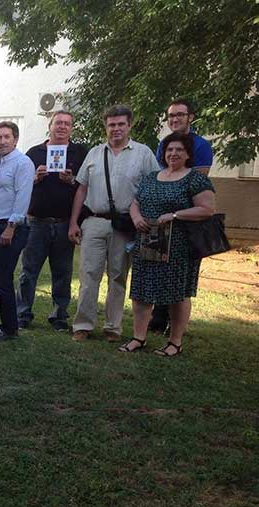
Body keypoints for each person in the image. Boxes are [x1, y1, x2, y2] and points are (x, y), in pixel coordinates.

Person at [68, 104, 160, 342]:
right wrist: (73, 223)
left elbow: (154, 188)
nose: (116, 129)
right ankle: (83, 325)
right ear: (105, 127)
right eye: (111, 124)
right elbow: (81, 189)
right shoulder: (95, 153)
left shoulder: (143, 154)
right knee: (88, 275)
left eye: (121, 124)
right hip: (94, 222)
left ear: (130, 125)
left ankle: (113, 328)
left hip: (124, 225)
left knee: (118, 276)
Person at [118, 132, 215, 356]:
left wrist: (175, 215)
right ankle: (138, 337)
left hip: (179, 246)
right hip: (148, 243)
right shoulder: (153, 177)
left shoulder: (195, 179)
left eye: (179, 150)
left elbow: (207, 208)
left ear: (188, 153)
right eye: (169, 149)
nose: (173, 153)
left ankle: (175, 342)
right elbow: (135, 202)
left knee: (177, 293)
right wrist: (136, 217)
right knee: (141, 291)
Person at [16, 111, 88, 331]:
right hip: (37, 221)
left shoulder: (79, 153)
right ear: (50, 125)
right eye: (58, 123)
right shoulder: (34, 153)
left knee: (63, 272)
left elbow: (85, 187)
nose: (62, 127)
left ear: (72, 128)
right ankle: (22, 313)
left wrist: (72, 180)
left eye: (67, 124)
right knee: (29, 270)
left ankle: (59, 316)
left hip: (65, 221)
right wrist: (34, 179)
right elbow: (20, 186)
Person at [148, 98, 214, 334]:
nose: (174, 119)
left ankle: (175, 328)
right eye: (170, 116)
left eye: (180, 115)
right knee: (159, 268)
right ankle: (158, 318)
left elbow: (196, 182)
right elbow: (160, 175)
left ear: (191, 117)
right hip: (163, 218)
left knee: (181, 277)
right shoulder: (163, 144)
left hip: (186, 221)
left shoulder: (201, 145)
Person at [0, 121, 35, 342]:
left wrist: (11, 227)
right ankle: (9, 325)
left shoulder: (22, 163)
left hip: (10, 228)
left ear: (15, 139)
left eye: (6, 137)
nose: (2, 141)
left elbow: (23, 197)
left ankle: (9, 328)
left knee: (3, 278)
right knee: (0, 279)